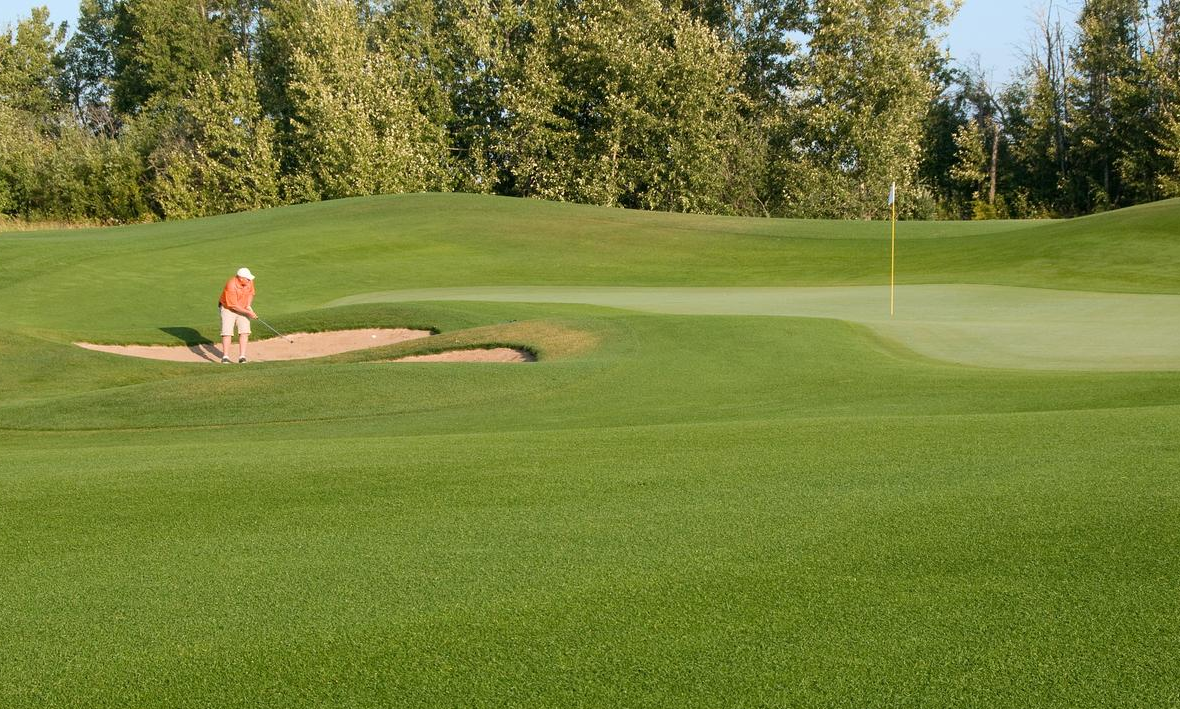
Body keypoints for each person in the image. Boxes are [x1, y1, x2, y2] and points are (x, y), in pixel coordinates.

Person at [219, 267, 258, 363]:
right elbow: (233, 306)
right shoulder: (231, 285)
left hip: (243, 307)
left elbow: (251, 293)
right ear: (240, 278)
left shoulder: (249, 281)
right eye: (247, 279)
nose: (250, 280)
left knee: (244, 331)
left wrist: (248, 306)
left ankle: (242, 357)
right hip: (228, 308)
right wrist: (249, 313)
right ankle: (225, 357)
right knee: (227, 332)